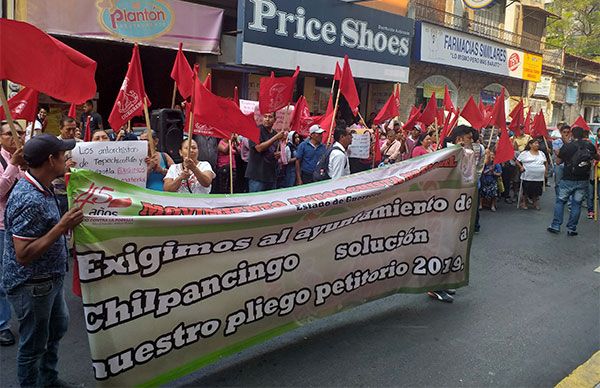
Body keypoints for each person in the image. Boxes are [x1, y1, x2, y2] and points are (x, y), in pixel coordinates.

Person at [2, 134, 84, 387]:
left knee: (56, 330)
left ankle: (48, 379)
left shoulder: (42, 185)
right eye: (62, 154)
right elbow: (23, 254)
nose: (66, 158)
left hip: (50, 279)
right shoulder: (30, 198)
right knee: (33, 345)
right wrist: (61, 227)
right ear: (50, 160)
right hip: (33, 284)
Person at [0, 121, 27, 347]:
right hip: (2, 227)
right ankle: (2, 325)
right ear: (0, 137)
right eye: (10, 133)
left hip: (23, 226)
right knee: (1, 278)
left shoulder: (26, 160)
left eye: (20, 132)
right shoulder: (4, 161)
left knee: (24, 275)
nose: (16, 136)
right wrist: (12, 166)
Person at [548, 126, 599, 235]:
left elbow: (558, 162)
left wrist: (559, 154)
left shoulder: (567, 146)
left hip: (568, 178)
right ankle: (571, 228)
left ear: (572, 134)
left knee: (560, 201)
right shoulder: (590, 146)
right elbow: (597, 157)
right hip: (583, 179)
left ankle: (556, 225)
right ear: (584, 135)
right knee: (577, 204)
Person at [245, 113, 284, 192]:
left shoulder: (275, 133)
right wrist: (275, 138)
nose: (267, 119)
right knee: (255, 201)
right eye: (265, 116)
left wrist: (277, 154)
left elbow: (274, 150)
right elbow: (259, 148)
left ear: (275, 120)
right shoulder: (256, 131)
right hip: (257, 175)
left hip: (271, 175)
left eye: (270, 117)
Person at [53, 117, 81, 215]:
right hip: (59, 192)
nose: (72, 132)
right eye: (68, 129)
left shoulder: (82, 144)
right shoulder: (52, 145)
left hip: (78, 192)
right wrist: (63, 168)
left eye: (74, 129)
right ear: (60, 128)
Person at [516, 139, 547, 210]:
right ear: (530, 145)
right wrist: (521, 167)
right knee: (526, 190)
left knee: (537, 190)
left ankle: (535, 203)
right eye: (535, 143)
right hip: (527, 176)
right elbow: (517, 161)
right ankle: (524, 202)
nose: (537, 145)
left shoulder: (541, 153)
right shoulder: (525, 153)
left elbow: (545, 163)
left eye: (538, 143)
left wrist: (545, 171)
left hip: (539, 177)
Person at [552, 124, 571, 196]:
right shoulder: (556, 142)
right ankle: (559, 198)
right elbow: (558, 154)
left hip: (569, 165)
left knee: (568, 183)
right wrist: (566, 143)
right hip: (559, 165)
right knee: (558, 183)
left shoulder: (572, 142)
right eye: (564, 132)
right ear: (561, 132)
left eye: (568, 132)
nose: (566, 134)